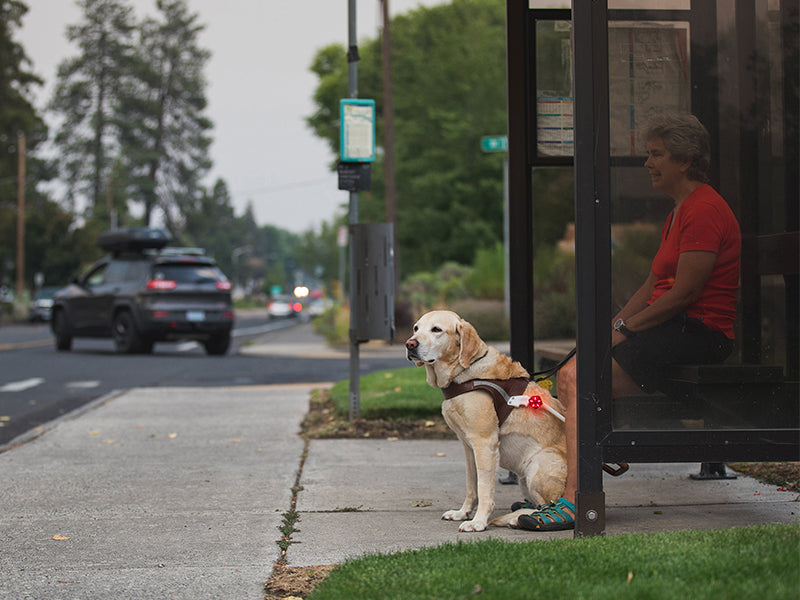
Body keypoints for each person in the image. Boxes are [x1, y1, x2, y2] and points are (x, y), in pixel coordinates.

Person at [517, 113, 742, 531]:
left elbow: (686, 294)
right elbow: (654, 283)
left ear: (685, 160)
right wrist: (609, 330)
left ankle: (575, 498)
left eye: (656, 154)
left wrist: (624, 331)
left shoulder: (706, 209)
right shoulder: (679, 212)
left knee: (578, 380)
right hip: (672, 327)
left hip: (700, 333)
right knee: (568, 373)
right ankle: (581, 467)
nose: (648, 164)